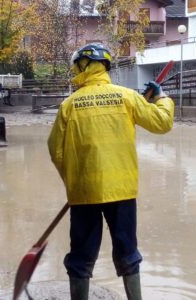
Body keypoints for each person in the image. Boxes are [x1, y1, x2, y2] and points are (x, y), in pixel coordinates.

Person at [48, 43, 174, 300]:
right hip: (122, 190)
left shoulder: (69, 105)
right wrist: (161, 98)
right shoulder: (127, 97)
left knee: (81, 255)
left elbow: (56, 151)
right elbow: (162, 123)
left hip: (84, 193)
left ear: (83, 66)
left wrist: (73, 184)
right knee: (127, 251)